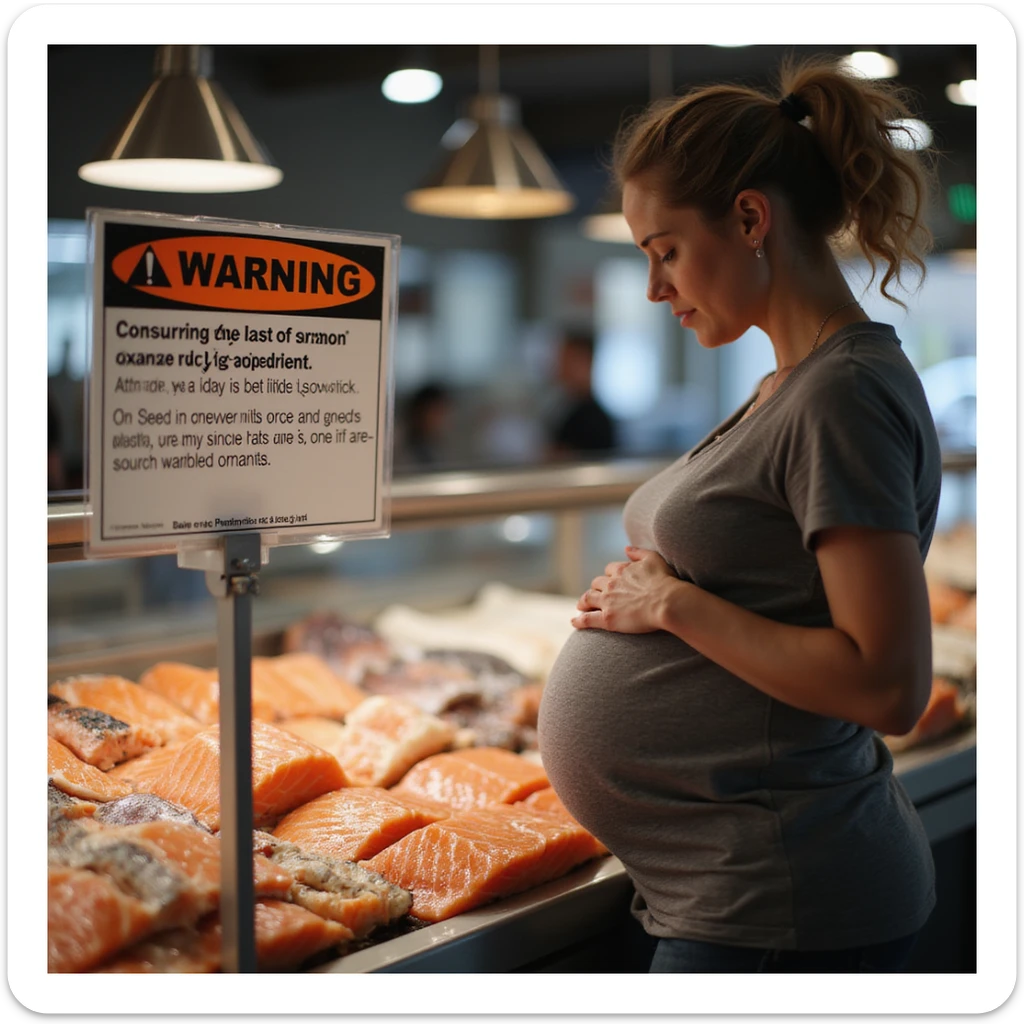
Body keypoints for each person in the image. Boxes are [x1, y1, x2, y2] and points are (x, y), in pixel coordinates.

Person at [538, 55, 942, 974]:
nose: (654, 288)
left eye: (664, 250)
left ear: (751, 218)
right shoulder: (790, 384)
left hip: (784, 900)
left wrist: (672, 607)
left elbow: (889, 687)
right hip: (733, 888)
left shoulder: (840, 395)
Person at [545, 332, 618, 459]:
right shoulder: (567, 408)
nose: (558, 367)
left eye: (566, 359)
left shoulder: (593, 418)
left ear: (586, 361)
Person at [394, 382, 455, 470]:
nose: (441, 421)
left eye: (444, 414)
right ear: (419, 413)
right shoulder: (396, 448)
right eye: (436, 413)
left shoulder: (439, 448)